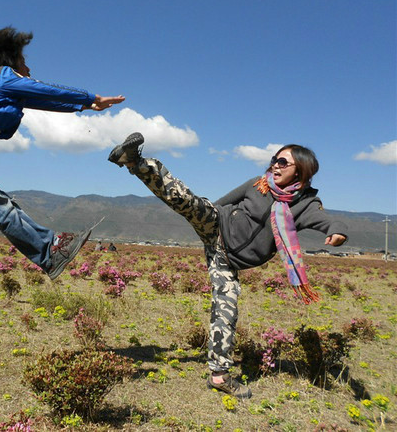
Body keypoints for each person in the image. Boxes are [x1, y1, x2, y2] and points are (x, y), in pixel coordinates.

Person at [108, 132, 347, 398]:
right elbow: (219, 204)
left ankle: (219, 376)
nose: (275, 165)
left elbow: (325, 221)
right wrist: (200, 219)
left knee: (227, 307)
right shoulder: (258, 184)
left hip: (227, 259)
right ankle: (135, 162)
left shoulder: (305, 204)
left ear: (301, 170)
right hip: (216, 226)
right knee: (186, 199)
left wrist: (337, 232)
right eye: (275, 160)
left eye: (282, 162)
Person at [0, 27, 125, 280]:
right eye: (24, 62)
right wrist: (92, 96)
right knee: (0, 209)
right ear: (11, 62)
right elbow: (47, 91)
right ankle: (50, 252)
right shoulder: (2, 78)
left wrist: (85, 105)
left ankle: (51, 248)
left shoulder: (6, 88)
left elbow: (45, 101)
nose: (28, 69)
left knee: (5, 206)